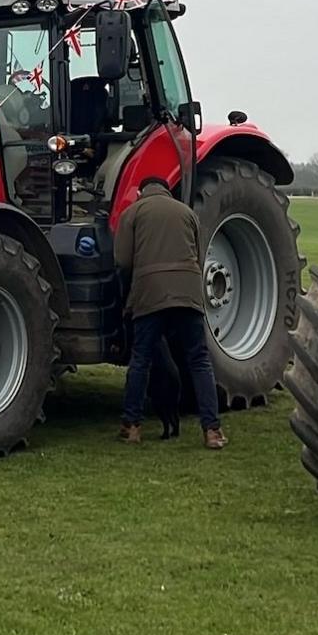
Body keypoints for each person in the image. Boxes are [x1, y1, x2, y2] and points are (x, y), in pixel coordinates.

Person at [113, 185, 225, 449]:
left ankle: (132, 427)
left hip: (150, 294)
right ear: (166, 191)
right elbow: (198, 256)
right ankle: (212, 431)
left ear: (141, 192)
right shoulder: (187, 212)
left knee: (141, 359)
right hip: (188, 292)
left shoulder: (133, 212)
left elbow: (123, 260)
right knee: (199, 360)